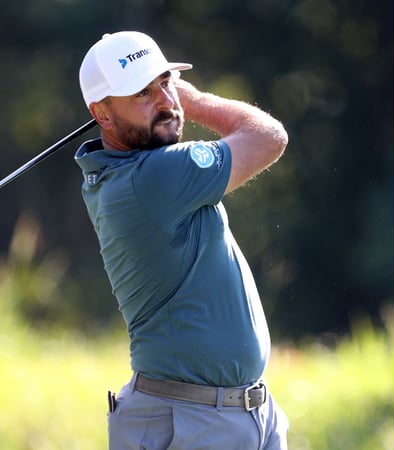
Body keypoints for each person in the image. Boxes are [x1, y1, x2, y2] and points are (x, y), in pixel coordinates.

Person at [75, 31, 289, 449]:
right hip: (193, 422)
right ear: (102, 114)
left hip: (239, 414)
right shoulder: (152, 177)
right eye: (142, 92)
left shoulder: (125, 172)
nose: (165, 101)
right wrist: (195, 99)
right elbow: (268, 137)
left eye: (165, 83)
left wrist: (165, 95)